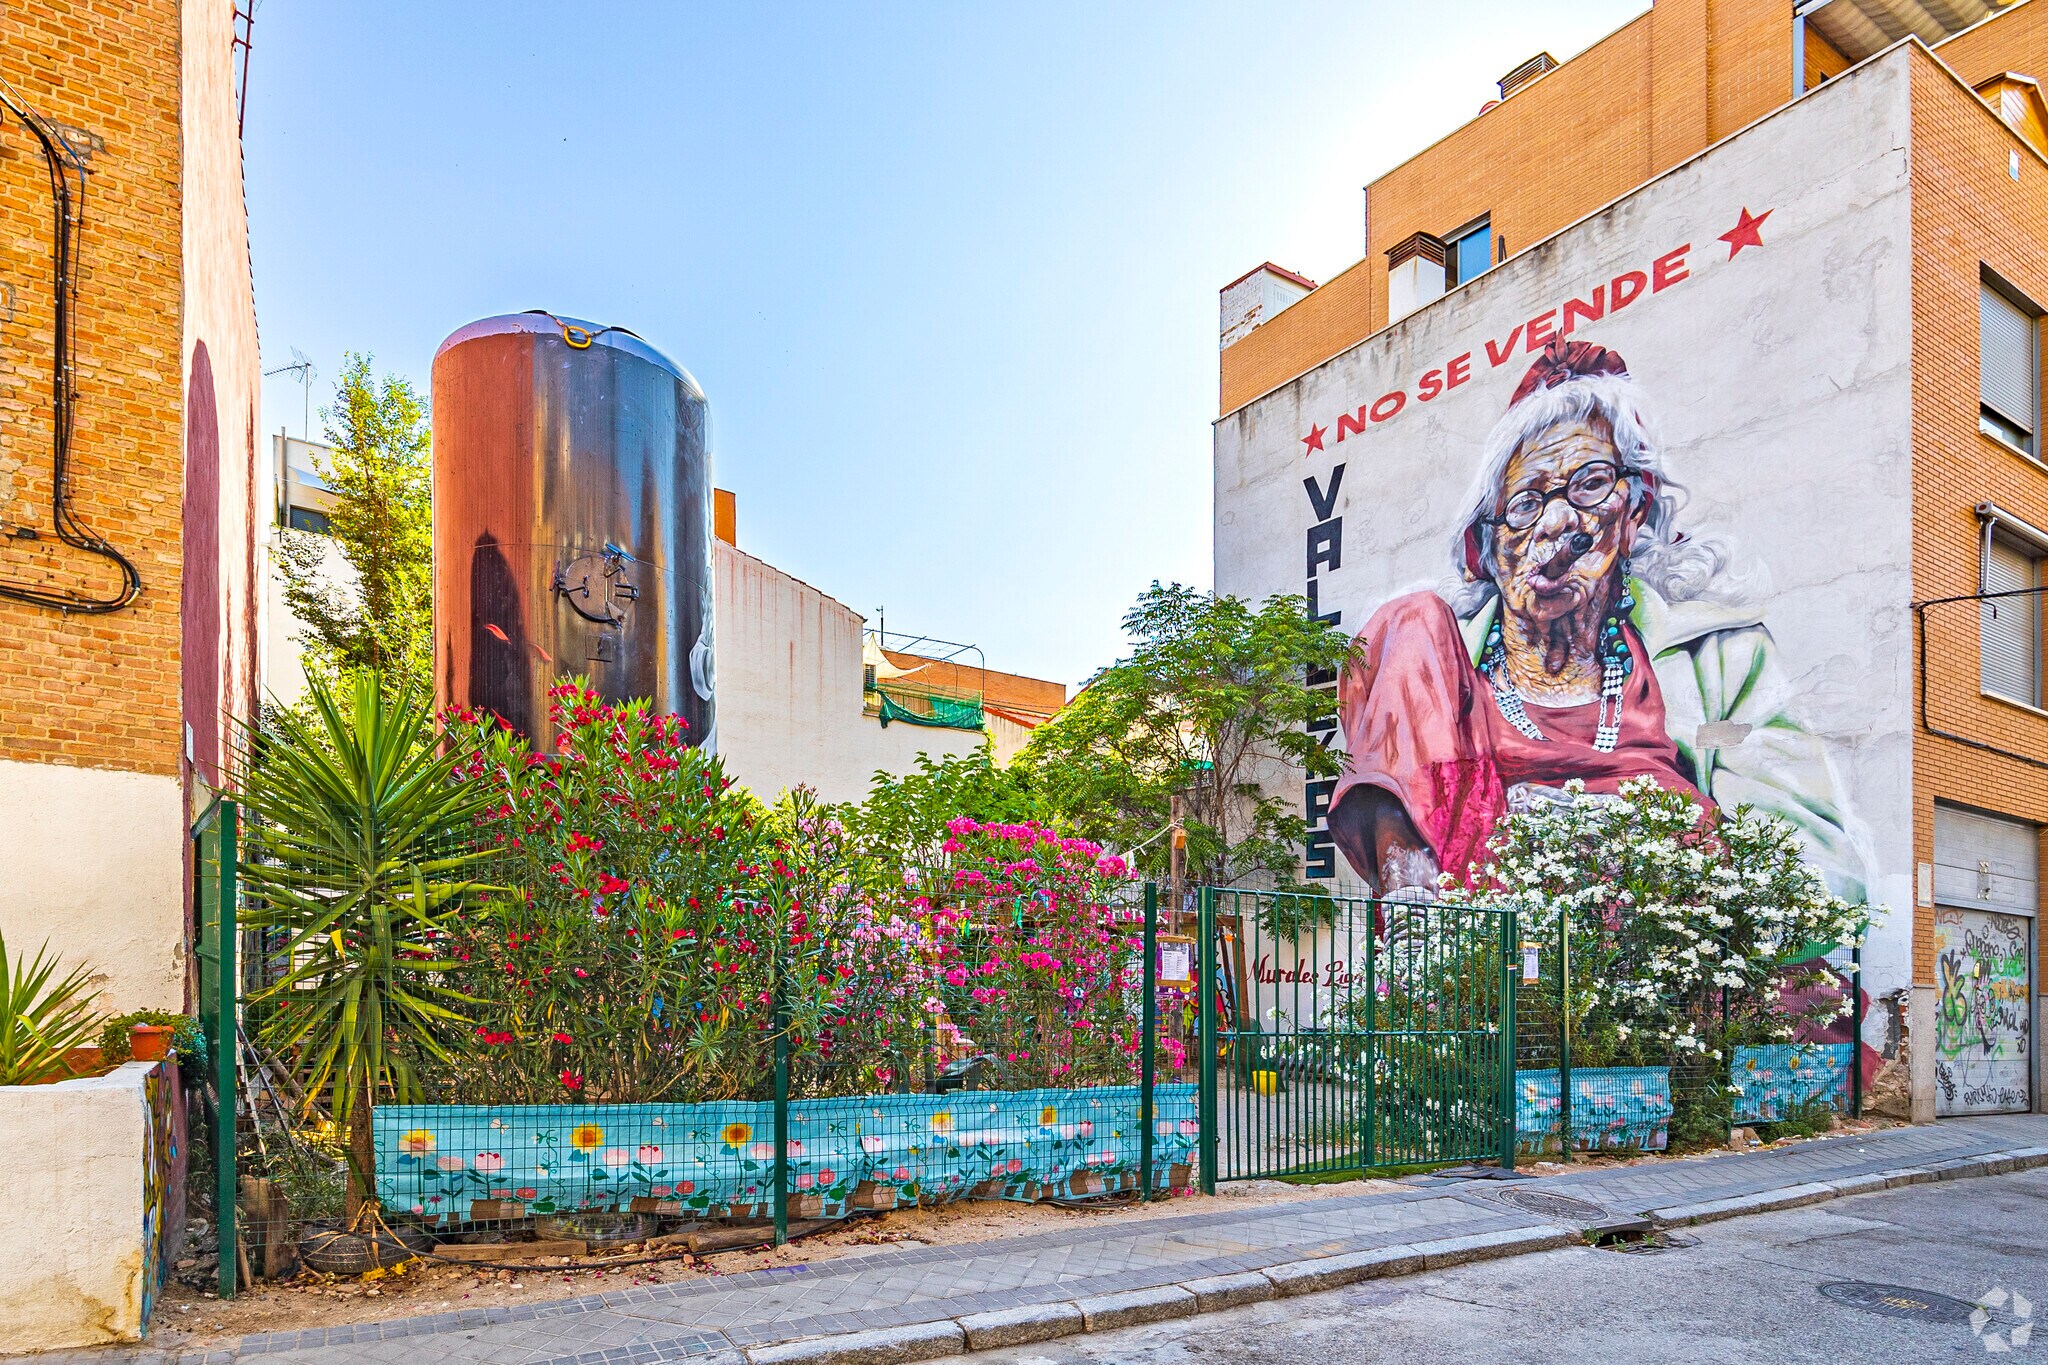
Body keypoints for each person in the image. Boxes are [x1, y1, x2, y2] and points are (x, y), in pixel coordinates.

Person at [1326, 336, 1867, 901]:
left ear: (1634, 511)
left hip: (1667, 960)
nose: (1558, 521)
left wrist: (1612, 838)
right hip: (1490, 960)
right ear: (1489, 547)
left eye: (1589, 485)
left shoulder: (1723, 658)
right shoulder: (1432, 654)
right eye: (1526, 504)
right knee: (1406, 619)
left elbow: (1820, 872)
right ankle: (1422, 933)